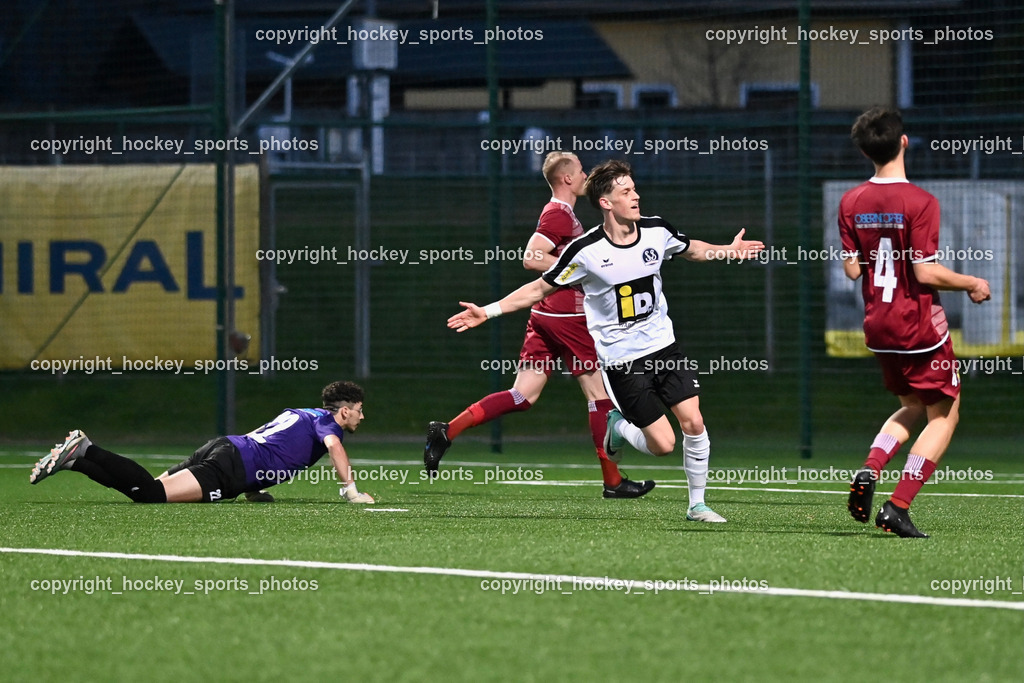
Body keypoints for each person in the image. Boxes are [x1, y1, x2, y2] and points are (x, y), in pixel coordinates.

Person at [447, 159, 764, 522]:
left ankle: (697, 505)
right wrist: (487, 312)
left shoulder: (657, 230)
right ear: (606, 202)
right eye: (626, 191)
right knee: (663, 445)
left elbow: (690, 249)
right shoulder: (586, 250)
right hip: (621, 360)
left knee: (693, 421)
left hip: (664, 346)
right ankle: (618, 426)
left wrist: (728, 250)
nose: (636, 195)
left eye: (634, 188)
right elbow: (538, 287)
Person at [424, 151, 654, 499]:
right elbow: (532, 258)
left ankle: (446, 431)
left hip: (544, 317)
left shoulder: (563, 214)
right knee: (600, 398)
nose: (584, 175)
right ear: (566, 179)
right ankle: (612, 481)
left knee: (522, 395)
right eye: (579, 170)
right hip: (569, 318)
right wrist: (584, 270)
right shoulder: (559, 214)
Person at [840, 106, 991, 537]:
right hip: (918, 328)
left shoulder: (850, 202)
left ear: (866, 151)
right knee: (943, 416)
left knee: (910, 406)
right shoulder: (921, 202)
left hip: (879, 328)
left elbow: (853, 270)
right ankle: (897, 506)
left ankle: (871, 468)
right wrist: (972, 282)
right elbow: (925, 272)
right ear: (903, 142)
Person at [29, 380, 376, 504]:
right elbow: (334, 447)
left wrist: (252, 489)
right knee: (151, 496)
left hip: (224, 448)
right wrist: (352, 492)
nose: (362, 416)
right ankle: (88, 448)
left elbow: (274, 444)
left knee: (146, 489)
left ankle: (76, 460)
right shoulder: (327, 424)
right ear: (343, 411)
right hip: (230, 465)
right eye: (359, 410)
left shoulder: (304, 412)